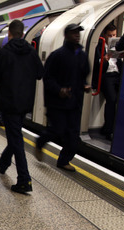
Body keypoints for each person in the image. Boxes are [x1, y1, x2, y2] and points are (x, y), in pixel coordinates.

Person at [0, 20, 44, 194]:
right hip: (25, 103)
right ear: (22, 33)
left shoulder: (3, 53)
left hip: (8, 102)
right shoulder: (31, 52)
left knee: (16, 138)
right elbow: (40, 73)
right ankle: (4, 161)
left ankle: (24, 179)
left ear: (9, 34)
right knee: (15, 133)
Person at [35, 23, 91, 172]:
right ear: (66, 35)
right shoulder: (57, 55)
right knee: (56, 131)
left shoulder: (83, 55)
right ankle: (40, 142)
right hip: (57, 103)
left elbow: (83, 75)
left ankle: (64, 160)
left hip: (75, 102)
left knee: (73, 136)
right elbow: (47, 78)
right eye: (74, 33)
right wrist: (59, 90)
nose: (77, 35)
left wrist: (85, 85)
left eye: (78, 33)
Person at [92, 24, 122, 140]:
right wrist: (103, 59)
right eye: (110, 35)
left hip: (117, 74)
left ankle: (110, 127)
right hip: (106, 75)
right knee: (112, 99)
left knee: (122, 100)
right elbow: (95, 62)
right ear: (105, 35)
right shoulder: (99, 45)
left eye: (114, 35)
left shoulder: (118, 45)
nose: (112, 37)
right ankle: (109, 130)